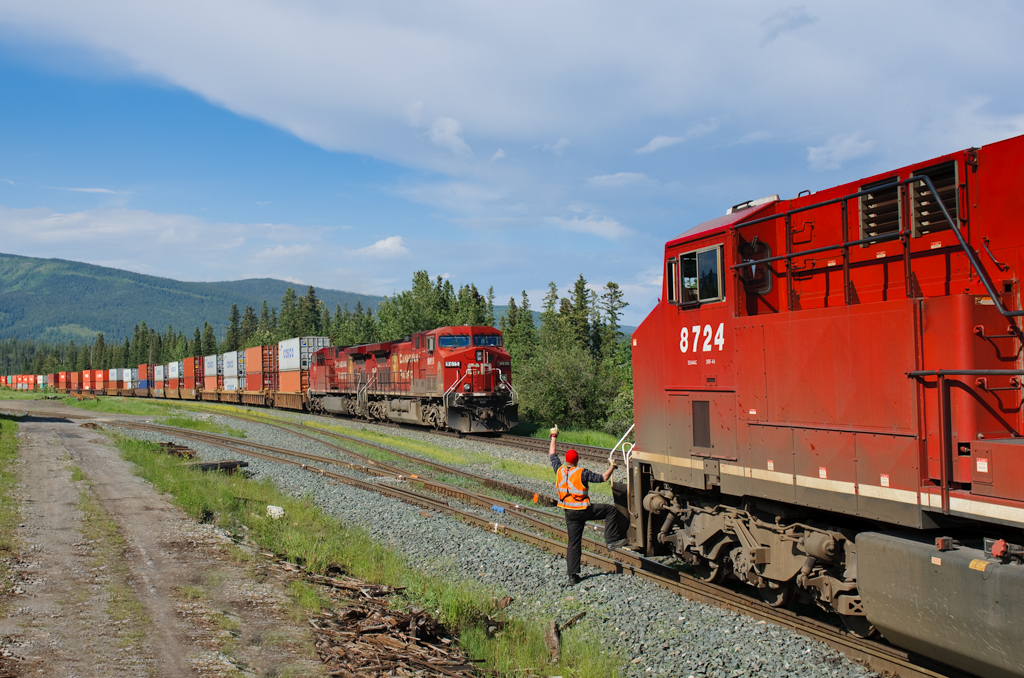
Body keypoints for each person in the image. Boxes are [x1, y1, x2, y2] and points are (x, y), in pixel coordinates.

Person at [549, 427, 627, 585]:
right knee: (611, 510)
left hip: (569, 512)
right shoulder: (582, 473)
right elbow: (603, 478)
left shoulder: (559, 470)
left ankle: (573, 576)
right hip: (584, 510)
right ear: (577, 460)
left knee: (573, 543)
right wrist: (612, 466)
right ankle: (611, 540)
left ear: (566, 460)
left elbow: (552, 454)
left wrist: (553, 436)